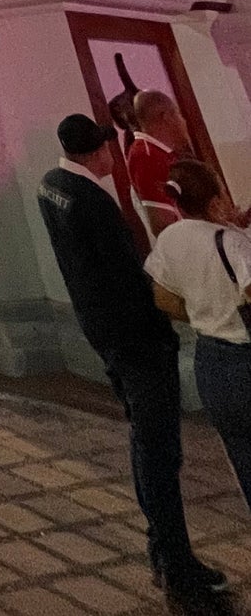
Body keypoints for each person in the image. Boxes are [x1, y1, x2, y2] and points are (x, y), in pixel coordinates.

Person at [38, 113, 228, 608]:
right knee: (160, 451)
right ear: (98, 151)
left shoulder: (51, 185)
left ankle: (162, 549)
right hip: (136, 339)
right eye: (108, 150)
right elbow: (127, 274)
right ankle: (176, 563)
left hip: (104, 332)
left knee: (147, 442)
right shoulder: (91, 201)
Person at [146, 159, 251, 512]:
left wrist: (206, 313)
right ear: (214, 201)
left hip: (210, 360)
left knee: (243, 457)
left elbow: (164, 298)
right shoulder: (233, 244)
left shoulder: (170, 237)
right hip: (244, 356)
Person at [128, 90, 192, 237]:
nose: (184, 121)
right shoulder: (146, 156)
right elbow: (164, 228)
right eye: (179, 114)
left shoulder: (161, 154)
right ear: (167, 117)